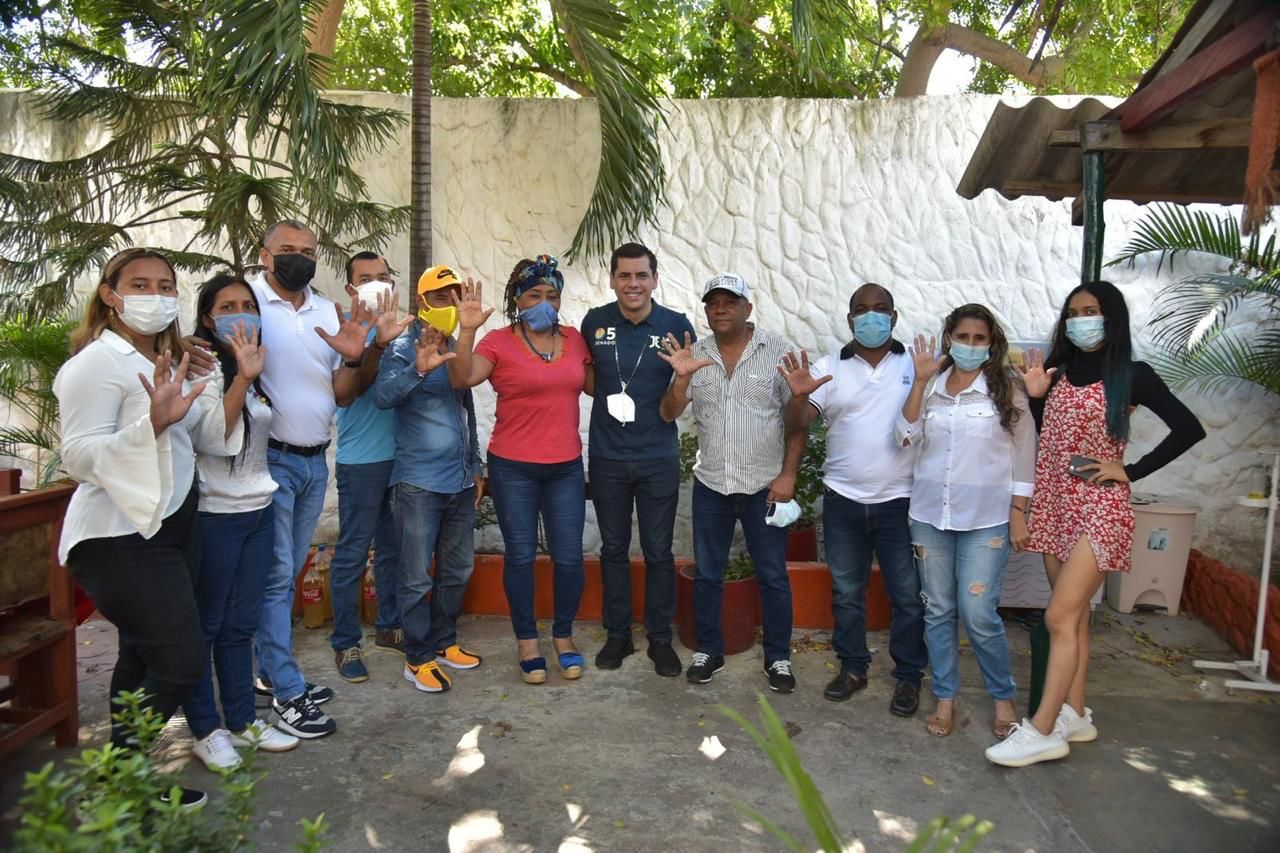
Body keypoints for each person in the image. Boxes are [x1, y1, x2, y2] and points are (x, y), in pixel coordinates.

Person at [986, 280, 1205, 767]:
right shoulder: (1057, 373)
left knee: (1058, 616)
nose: (1081, 319)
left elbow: (1189, 427)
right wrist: (1038, 396)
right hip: (1054, 505)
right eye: (1074, 311)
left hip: (1100, 509)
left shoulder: (1133, 375)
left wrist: (1129, 470)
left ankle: (1041, 729)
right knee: (1077, 616)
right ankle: (1076, 712)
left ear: (1112, 318)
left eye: (1092, 310)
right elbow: (1046, 437)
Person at [55, 248, 243, 808]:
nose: (156, 296)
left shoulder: (168, 358)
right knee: (180, 659)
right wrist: (152, 422)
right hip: (119, 536)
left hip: (172, 528)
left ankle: (125, 786)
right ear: (110, 294)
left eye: (165, 286)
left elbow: (199, 442)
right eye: (140, 284)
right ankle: (115, 786)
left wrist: (203, 396)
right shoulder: (93, 365)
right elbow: (78, 457)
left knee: (140, 655)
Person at [245, 220, 386, 739]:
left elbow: (344, 393)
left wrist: (359, 353)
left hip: (311, 461)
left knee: (285, 568)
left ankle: (266, 671)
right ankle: (286, 688)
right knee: (278, 572)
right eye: (287, 250)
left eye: (307, 251)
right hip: (268, 460)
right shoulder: (250, 303)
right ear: (265, 255)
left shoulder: (328, 311)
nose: (297, 258)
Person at [782, 282, 927, 716]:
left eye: (880, 309)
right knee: (847, 592)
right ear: (849, 319)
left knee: (906, 594)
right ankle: (853, 667)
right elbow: (797, 422)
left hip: (900, 500)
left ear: (894, 317)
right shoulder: (830, 367)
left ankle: (907, 677)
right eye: (861, 310)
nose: (871, 316)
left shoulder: (915, 367)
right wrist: (799, 394)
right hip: (843, 499)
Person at [446, 255, 592, 685]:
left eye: (552, 295)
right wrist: (467, 330)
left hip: (565, 465)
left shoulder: (575, 339)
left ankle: (563, 637)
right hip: (514, 468)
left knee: (568, 557)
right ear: (517, 299)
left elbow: (599, 385)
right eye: (535, 295)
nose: (544, 302)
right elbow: (461, 377)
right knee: (522, 556)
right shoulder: (497, 342)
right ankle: (527, 641)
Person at [895, 304, 1034, 740]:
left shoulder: (1006, 389)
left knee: (978, 613)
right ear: (949, 339)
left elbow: (1024, 453)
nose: (971, 346)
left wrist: (1018, 513)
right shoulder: (932, 385)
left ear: (990, 344)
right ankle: (945, 696)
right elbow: (904, 436)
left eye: (980, 339)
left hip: (987, 518)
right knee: (938, 610)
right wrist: (918, 383)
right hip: (930, 514)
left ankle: (1003, 696)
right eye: (964, 337)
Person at [660, 273, 804, 693]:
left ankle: (778, 657)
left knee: (773, 575)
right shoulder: (694, 354)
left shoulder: (779, 352)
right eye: (712, 303)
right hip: (713, 486)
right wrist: (682, 378)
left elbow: (797, 426)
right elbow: (668, 414)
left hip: (765, 487)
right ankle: (710, 650)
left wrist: (789, 475)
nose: (719, 309)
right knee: (708, 573)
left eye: (729, 301)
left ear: (747, 308)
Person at [184, 274, 300, 771]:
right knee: (206, 626)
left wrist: (249, 375)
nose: (240, 312)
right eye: (227, 305)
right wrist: (243, 380)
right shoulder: (201, 366)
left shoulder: (248, 362)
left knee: (240, 625)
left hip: (257, 509)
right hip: (215, 515)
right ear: (209, 318)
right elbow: (213, 438)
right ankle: (204, 729)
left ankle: (240, 719)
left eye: (247, 304)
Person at [580, 243, 695, 677]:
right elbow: (590, 384)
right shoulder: (594, 323)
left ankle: (660, 639)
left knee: (658, 551)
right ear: (612, 280)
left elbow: (671, 410)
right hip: (608, 456)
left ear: (655, 279)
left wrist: (681, 381)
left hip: (657, 457)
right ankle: (618, 634)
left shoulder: (674, 326)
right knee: (612, 548)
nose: (633, 284)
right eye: (624, 275)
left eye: (641, 275)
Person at [373, 264, 485, 694]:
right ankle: (417, 657)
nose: (451, 305)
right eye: (442, 298)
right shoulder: (403, 346)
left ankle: (444, 641)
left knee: (458, 569)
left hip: (458, 482)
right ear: (422, 302)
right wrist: (417, 369)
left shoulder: (458, 343)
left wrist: (475, 465)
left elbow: (466, 408)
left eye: (456, 297)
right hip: (418, 482)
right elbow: (383, 397)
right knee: (416, 576)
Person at [329, 252, 413, 683]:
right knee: (352, 552)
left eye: (383, 276)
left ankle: (389, 625)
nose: (376, 284)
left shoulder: (407, 329)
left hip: (402, 459)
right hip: (361, 461)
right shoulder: (345, 330)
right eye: (366, 278)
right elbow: (350, 392)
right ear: (350, 289)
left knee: (394, 550)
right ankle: (345, 642)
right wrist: (373, 345)